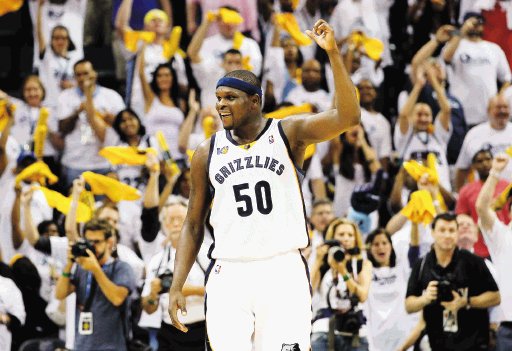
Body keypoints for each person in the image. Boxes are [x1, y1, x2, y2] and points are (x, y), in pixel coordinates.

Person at [168, 19, 360, 351]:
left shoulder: (288, 133)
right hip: (229, 270)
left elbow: (347, 116)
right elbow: (193, 223)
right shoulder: (206, 151)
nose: (221, 104)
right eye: (218, 97)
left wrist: (333, 55)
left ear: (255, 101)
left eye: (230, 97)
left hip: (281, 268)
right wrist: (177, 285)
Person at [405, 213, 501, 351]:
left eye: (451, 230)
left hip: (473, 343)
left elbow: (496, 297)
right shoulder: (422, 264)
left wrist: (466, 302)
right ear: (433, 233)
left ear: (457, 234)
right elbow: (409, 305)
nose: (447, 235)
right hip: (438, 343)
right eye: (442, 230)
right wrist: (425, 299)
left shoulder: (473, 262)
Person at [55, 219, 136, 351]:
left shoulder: (121, 268)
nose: (92, 246)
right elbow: (60, 294)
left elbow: (117, 298)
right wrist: (69, 263)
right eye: (89, 241)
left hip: (112, 347)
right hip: (82, 345)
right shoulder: (82, 268)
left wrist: (96, 269)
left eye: (97, 242)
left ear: (109, 242)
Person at [141, 196, 207, 351]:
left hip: (203, 328)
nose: (176, 224)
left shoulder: (206, 253)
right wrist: (153, 295)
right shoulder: (157, 261)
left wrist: (189, 291)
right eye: (171, 220)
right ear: (164, 225)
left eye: (180, 218)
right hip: (169, 333)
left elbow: (225, 292)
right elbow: (148, 308)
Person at [57, 59, 125, 186]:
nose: (82, 78)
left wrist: (112, 120)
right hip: (75, 163)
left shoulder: (112, 96)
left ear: (94, 74)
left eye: (86, 73)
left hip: (104, 163)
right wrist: (78, 112)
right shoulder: (65, 97)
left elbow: (124, 129)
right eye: (78, 75)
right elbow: (62, 129)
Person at [310, 218, 372, 351]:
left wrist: (343, 270)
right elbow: (307, 293)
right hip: (323, 328)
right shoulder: (323, 263)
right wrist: (318, 260)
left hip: (353, 330)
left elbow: (362, 296)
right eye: (341, 235)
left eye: (350, 235)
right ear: (332, 238)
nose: (346, 238)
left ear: (356, 239)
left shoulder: (362, 264)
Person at [476, 153, 512, 350]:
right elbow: (481, 207)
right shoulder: (502, 237)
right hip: (508, 329)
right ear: (509, 211)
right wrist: (495, 172)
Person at [456, 148, 510, 257]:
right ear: (473, 166)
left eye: (488, 159)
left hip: (506, 243)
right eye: (480, 161)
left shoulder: (507, 186)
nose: (485, 163)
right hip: (479, 249)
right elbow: (461, 218)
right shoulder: (466, 191)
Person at [454, 95, 512, 190]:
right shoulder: (474, 134)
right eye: (498, 107)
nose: (502, 111)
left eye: (505, 107)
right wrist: (460, 195)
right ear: (488, 111)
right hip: (484, 194)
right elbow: (462, 168)